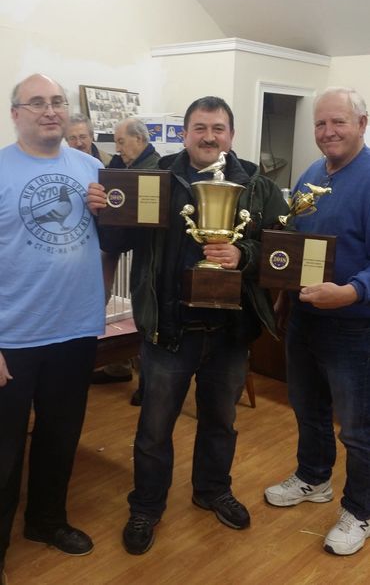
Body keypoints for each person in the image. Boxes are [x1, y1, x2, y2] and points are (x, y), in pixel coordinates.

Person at [87, 95, 288, 555]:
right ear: (185, 134)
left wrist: (244, 254)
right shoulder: (158, 179)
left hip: (231, 334)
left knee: (221, 422)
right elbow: (118, 238)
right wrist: (103, 208)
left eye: (218, 128)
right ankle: (147, 505)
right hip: (168, 330)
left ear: (231, 135)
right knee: (155, 429)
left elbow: (283, 248)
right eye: (200, 127)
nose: (209, 136)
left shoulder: (256, 184)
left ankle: (212, 490)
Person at [0, 74, 105, 584]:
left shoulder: (91, 168)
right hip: (12, 339)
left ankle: (46, 521)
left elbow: (118, 242)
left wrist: (113, 216)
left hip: (76, 332)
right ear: (15, 113)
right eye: (37, 102)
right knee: (3, 451)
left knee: (60, 439)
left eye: (57, 101)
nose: (50, 110)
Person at [265, 87, 370, 556]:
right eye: (320, 124)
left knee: (357, 428)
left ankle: (362, 510)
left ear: (362, 124)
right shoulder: (310, 175)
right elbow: (296, 243)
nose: (327, 132)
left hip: (355, 325)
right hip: (305, 318)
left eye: (338, 122)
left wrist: (349, 292)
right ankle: (314, 478)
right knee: (307, 410)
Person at [91, 117, 160, 391]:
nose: (118, 148)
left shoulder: (152, 171)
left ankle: (148, 387)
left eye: (121, 142)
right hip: (131, 251)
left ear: (139, 140)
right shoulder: (128, 166)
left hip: (151, 258)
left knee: (148, 318)